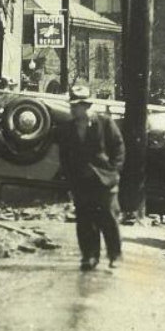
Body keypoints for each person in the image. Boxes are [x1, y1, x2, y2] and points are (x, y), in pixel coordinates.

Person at [56, 85, 126, 270]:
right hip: (81, 181)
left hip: (104, 179)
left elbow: (118, 147)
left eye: (76, 106)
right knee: (85, 219)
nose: (73, 109)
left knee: (108, 217)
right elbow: (64, 156)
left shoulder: (104, 123)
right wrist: (70, 179)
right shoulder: (68, 129)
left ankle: (115, 255)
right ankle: (89, 256)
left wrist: (113, 170)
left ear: (86, 105)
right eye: (72, 106)